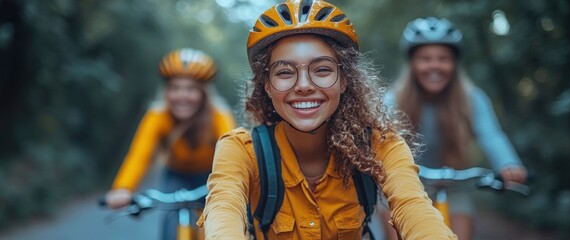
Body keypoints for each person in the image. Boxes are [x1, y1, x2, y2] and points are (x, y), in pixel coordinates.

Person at [197, 1, 456, 239]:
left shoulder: (380, 145)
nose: (304, 86)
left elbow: (413, 206)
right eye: (285, 72)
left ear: (345, 80)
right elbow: (224, 209)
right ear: (266, 86)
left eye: (322, 70)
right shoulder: (241, 150)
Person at [380, 17, 528, 240]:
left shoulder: (472, 99)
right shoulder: (393, 100)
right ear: (412, 64)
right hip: (403, 185)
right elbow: (380, 140)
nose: (434, 66)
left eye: (443, 59)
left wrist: (508, 164)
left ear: (454, 64)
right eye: (425, 59)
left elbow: (491, 135)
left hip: (454, 185)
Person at [104, 48, 236, 240]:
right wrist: (123, 188)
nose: (182, 96)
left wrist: (236, 185)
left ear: (203, 94)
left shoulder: (219, 116)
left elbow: (232, 153)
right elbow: (139, 155)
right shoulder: (157, 115)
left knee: (217, 227)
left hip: (211, 176)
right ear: (166, 91)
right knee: (169, 224)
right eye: (175, 88)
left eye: (191, 89)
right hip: (176, 175)